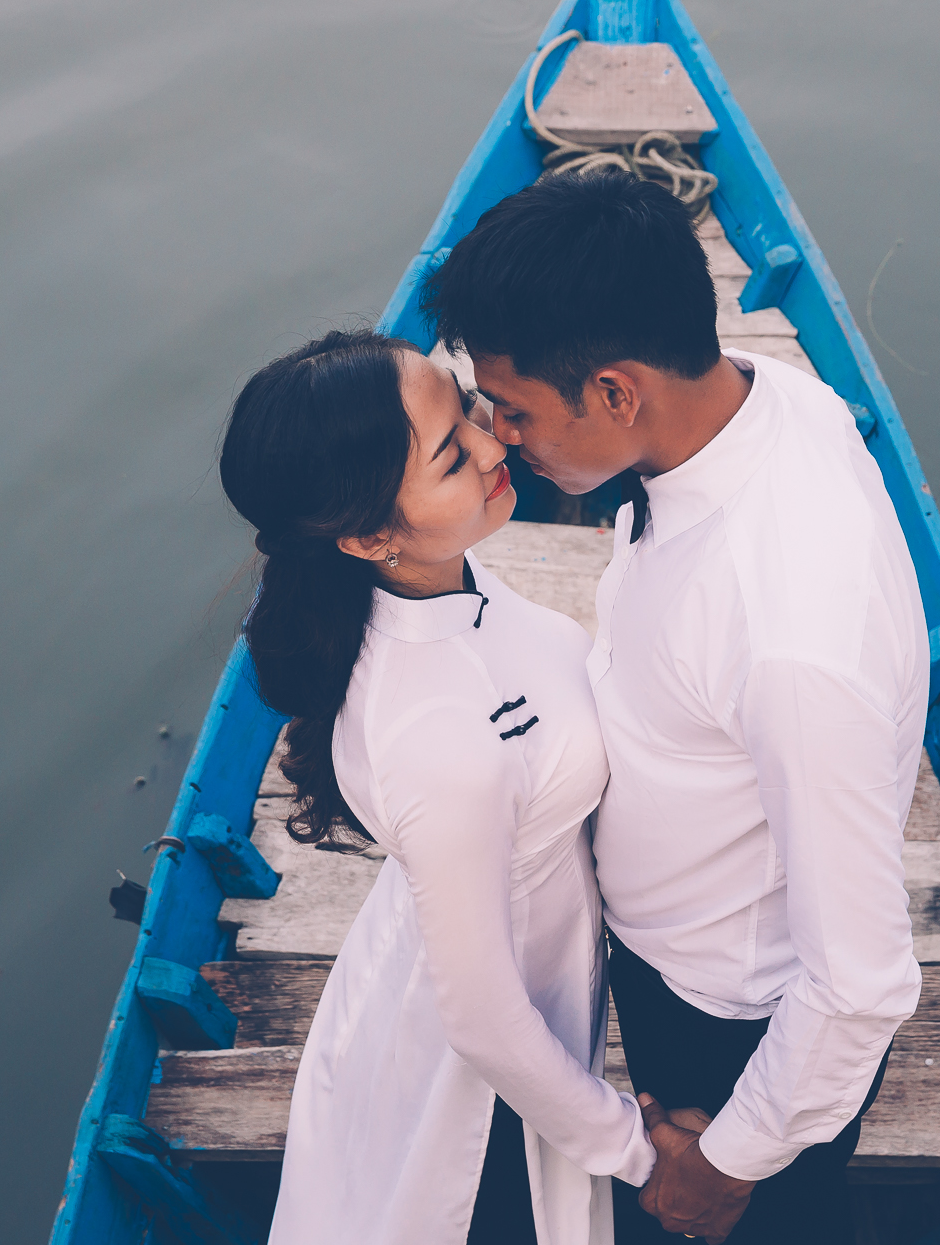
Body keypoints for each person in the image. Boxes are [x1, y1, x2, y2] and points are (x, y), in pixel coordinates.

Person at [423, 170, 930, 1245]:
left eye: (514, 410)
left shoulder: (791, 638)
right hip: (669, 950)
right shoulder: (773, 397)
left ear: (615, 393)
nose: (501, 436)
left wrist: (729, 1160)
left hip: (732, 1018)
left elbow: (860, 984)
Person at [218, 329, 668, 1245]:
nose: (497, 441)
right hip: (473, 1083)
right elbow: (485, 1023)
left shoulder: (443, 586)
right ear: (371, 534)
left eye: (468, 406)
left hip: (481, 966)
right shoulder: (433, 737)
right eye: (456, 454)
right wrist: (635, 1149)